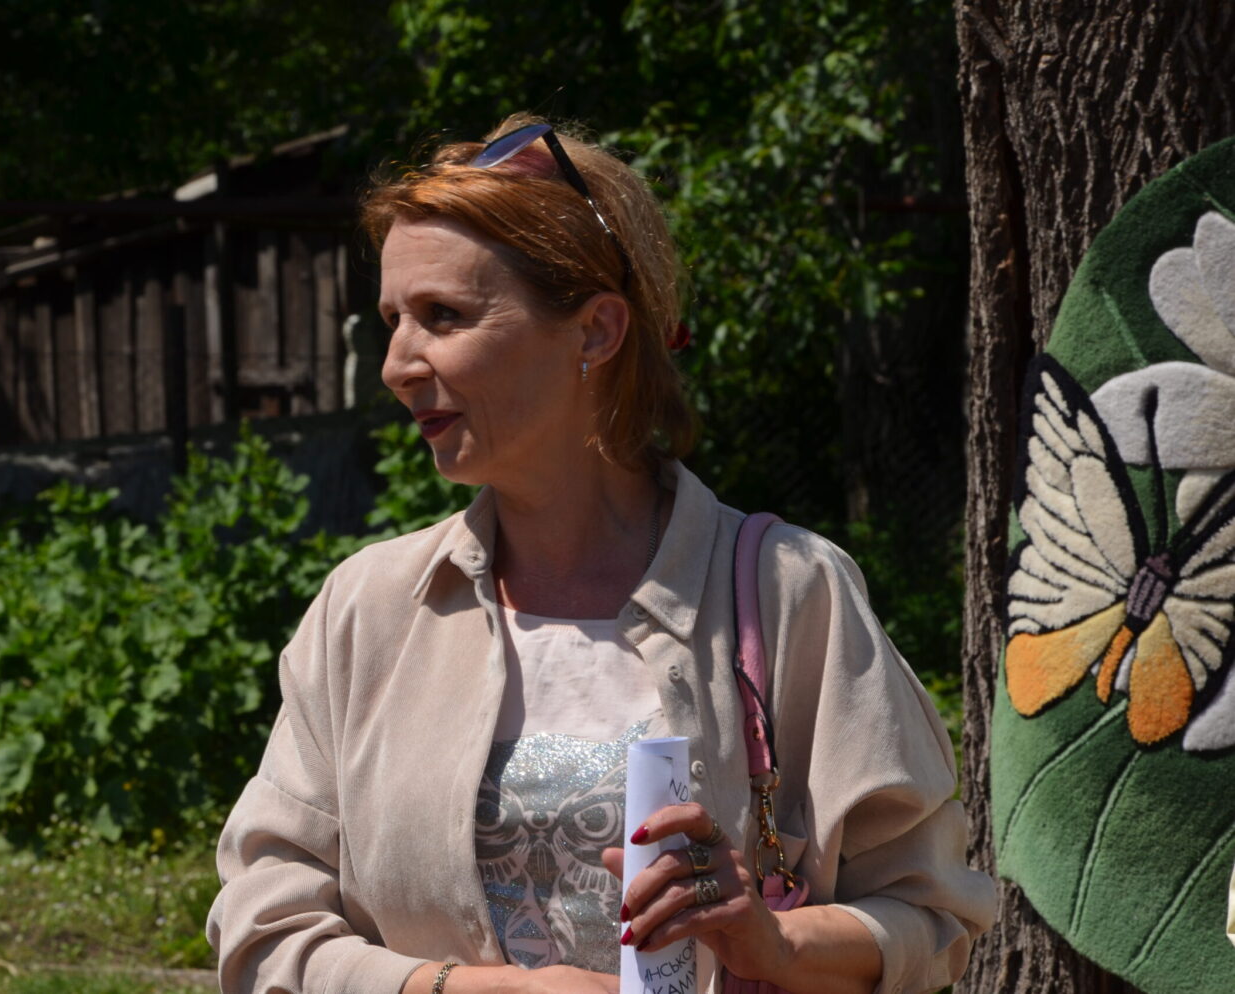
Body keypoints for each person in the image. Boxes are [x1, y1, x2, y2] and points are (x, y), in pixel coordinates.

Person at [206, 114, 995, 994]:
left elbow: (930, 915)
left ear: (595, 331)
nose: (397, 364)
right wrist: (471, 991)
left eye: (443, 316)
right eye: (394, 319)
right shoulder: (370, 610)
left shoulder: (789, 592)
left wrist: (775, 944)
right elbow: (261, 926)